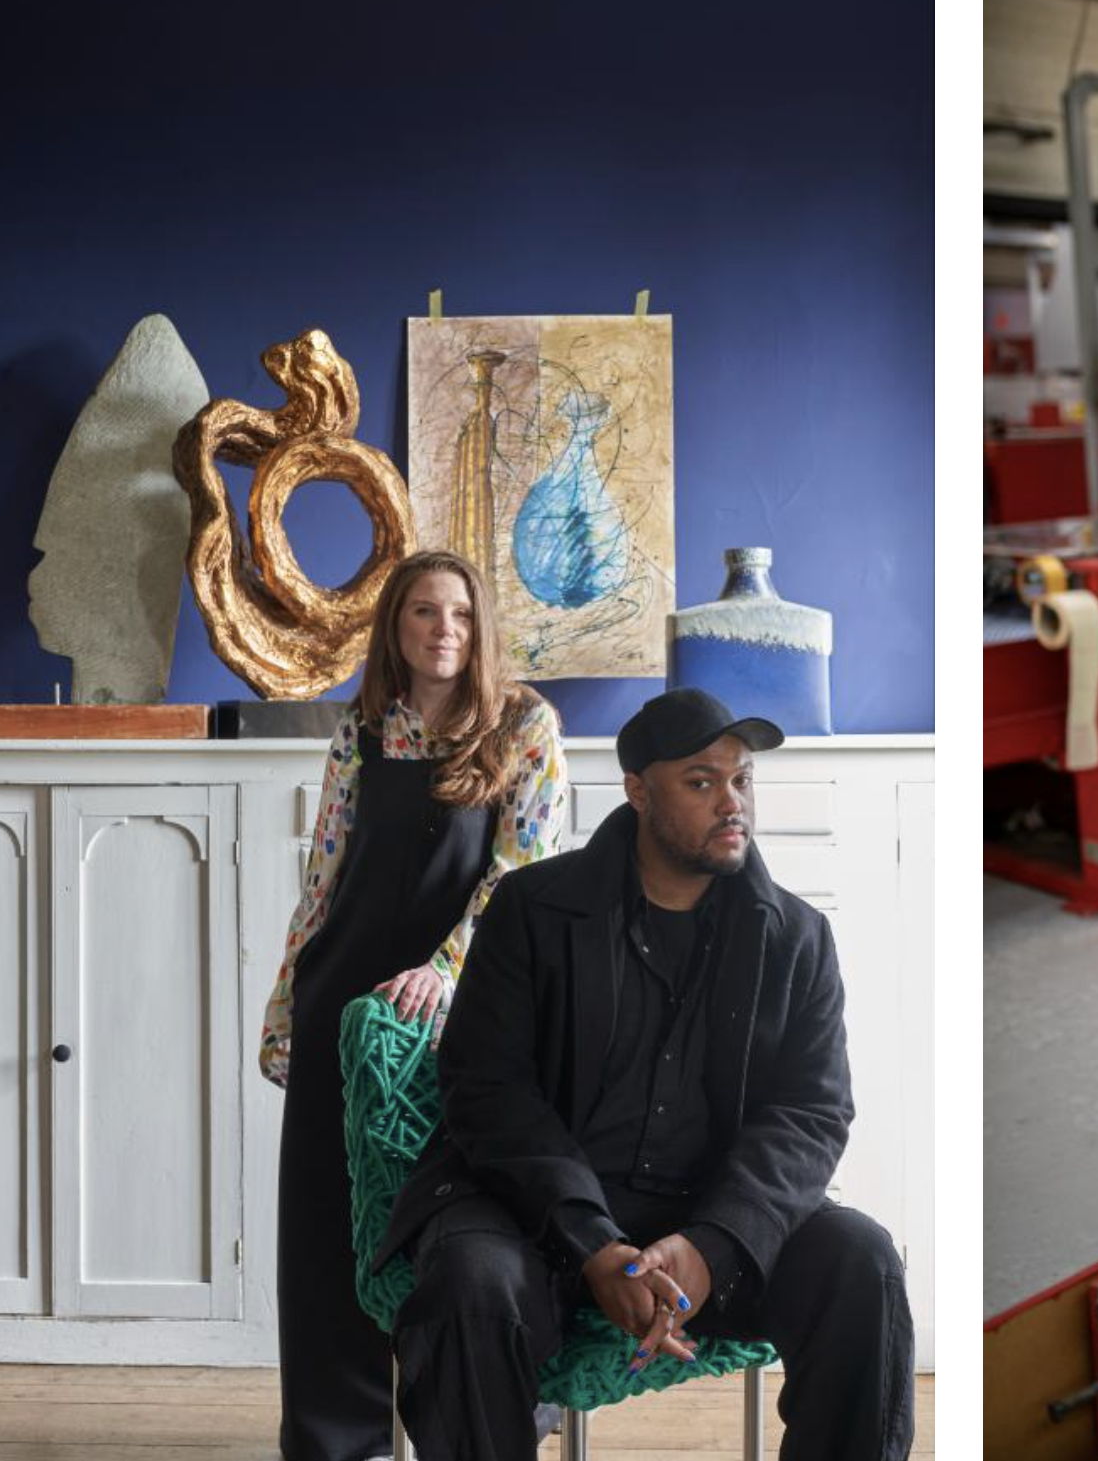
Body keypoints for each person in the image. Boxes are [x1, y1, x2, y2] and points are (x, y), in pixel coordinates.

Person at [375, 687, 915, 1461]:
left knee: (862, 1262)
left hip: (707, 1208)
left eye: (741, 780)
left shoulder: (797, 938)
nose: (731, 802)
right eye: (701, 782)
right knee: (470, 1287)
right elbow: (487, 1089)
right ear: (637, 790)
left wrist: (713, 1243)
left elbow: (811, 1113)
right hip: (534, 1213)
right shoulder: (531, 908)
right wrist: (594, 1243)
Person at [260, 548, 570, 1461]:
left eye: (462, 615)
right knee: (326, 1240)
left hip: (460, 1017)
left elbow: (527, 874)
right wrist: (286, 1007)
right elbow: (322, 880)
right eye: (425, 613)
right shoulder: (363, 729)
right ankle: (332, 1442)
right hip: (341, 1007)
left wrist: (445, 968)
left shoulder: (523, 725)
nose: (444, 630)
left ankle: (471, 1431)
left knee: (458, 1234)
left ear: (481, 631)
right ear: (396, 627)